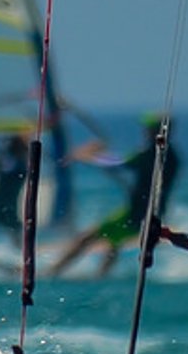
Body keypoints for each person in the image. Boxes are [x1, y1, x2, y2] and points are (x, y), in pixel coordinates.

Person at [50, 112, 181, 278]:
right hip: (151, 213)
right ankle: (101, 275)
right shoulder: (173, 156)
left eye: (148, 128)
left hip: (139, 215)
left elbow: (117, 164)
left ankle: (53, 272)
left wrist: (87, 156)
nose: (145, 131)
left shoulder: (152, 154)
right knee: (114, 242)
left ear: (157, 131)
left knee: (87, 238)